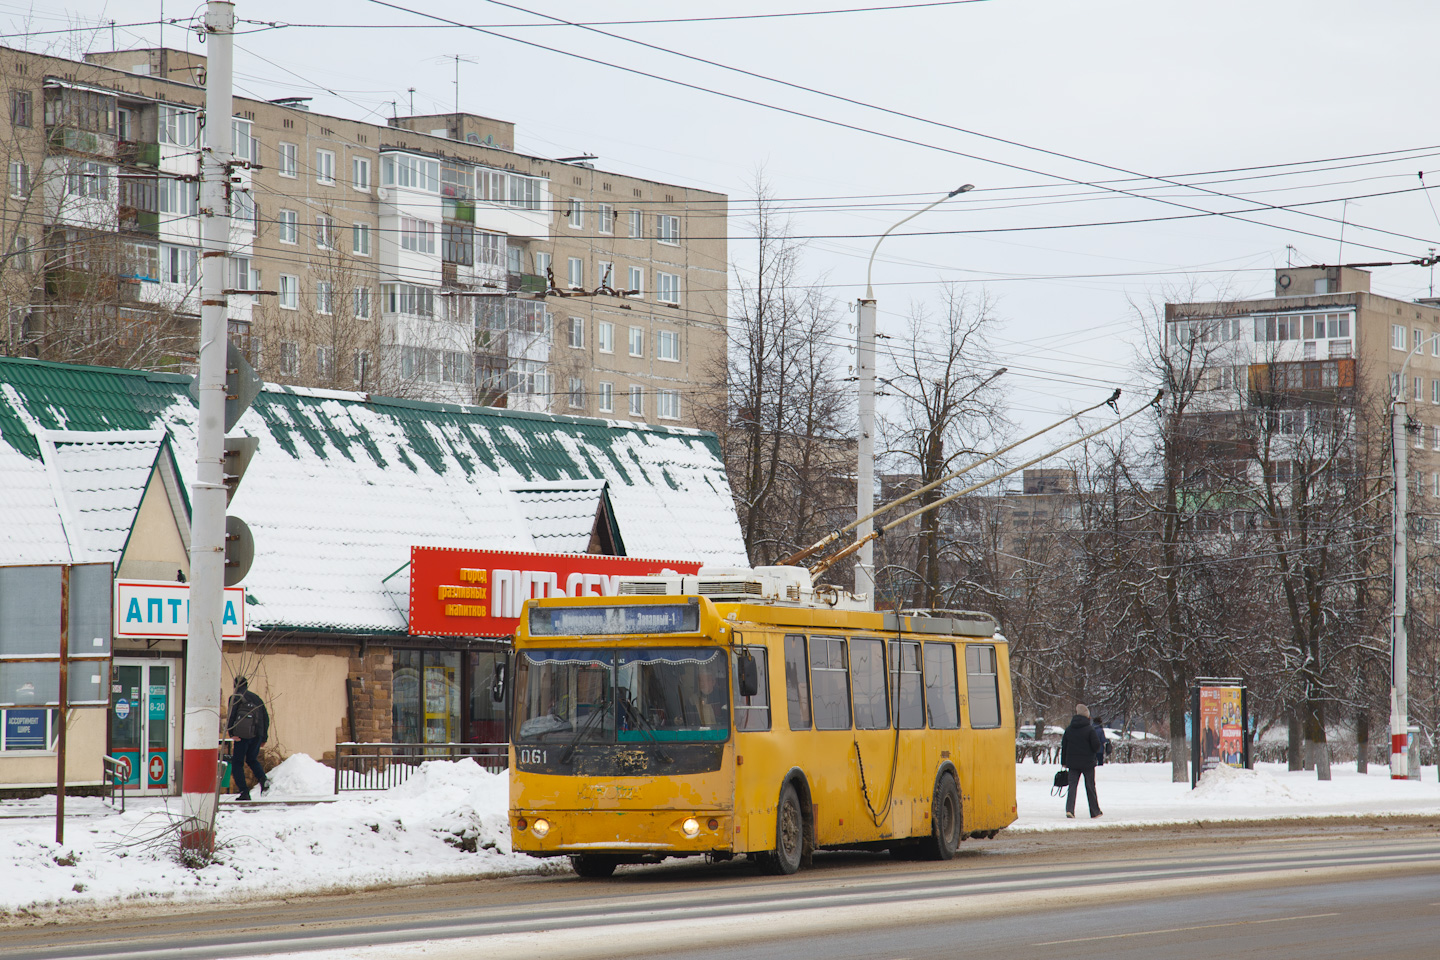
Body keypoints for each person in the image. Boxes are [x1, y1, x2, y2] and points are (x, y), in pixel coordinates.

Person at [226, 676, 270, 800]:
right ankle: (263, 779)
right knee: (252, 759)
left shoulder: (235, 697)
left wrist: (231, 732)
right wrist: (264, 737)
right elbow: (265, 717)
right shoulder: (257, 698)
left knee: (237, 762)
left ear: (235, 685)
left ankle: (244, 792)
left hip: (241, 736)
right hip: (257, 735)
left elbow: (231, 715)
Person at [1060, 702, 1103, 819]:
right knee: (1090, 786)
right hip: (1088, 763)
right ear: (1087, 717)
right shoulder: (1090, 730)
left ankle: (1070, 810)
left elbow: (1064, 746)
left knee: (1072, 787)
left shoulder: (1069, 729)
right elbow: (1096, 747)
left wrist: (1063, 762)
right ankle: (1095, 811)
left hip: (1072, 763)